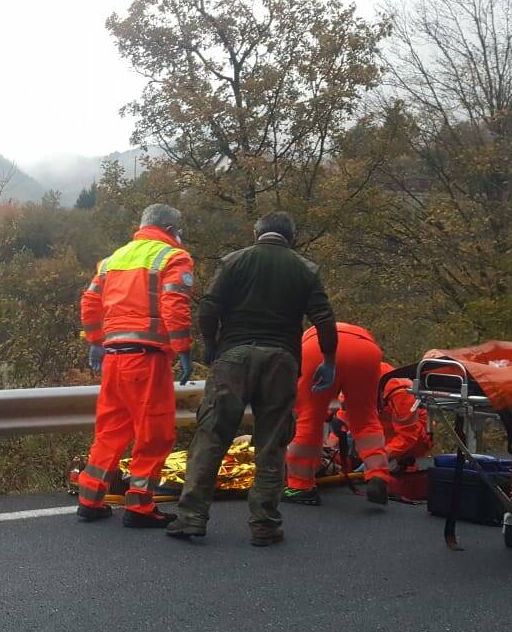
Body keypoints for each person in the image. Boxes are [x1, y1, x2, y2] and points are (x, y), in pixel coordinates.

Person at [166, 211, 337, 546]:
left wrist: (213, 345)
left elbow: (209, 309)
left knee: (212, 436)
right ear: (292, 236)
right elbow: (324, 320)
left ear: (256, 232)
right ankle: (265, 525)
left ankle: (191, 518)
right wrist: (328, 360)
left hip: (234, 357)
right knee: (272, 443)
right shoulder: (306, 269)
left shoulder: (234, 262)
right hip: (282, 361)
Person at [74, 203, 195, 528]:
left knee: (111, 430)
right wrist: (183, 348)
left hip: (114, 360)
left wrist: (97, 340)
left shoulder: (113, 259)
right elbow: (174, 303)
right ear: (171, 230)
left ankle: (90, 499)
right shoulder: (173, 257)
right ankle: (139, 507)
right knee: (154, 433)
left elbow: (89, 302)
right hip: (147, 359)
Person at [283, 322, 393, 506]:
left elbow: (307, 406)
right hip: (365, 350)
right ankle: (377, 475)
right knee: (366, 419)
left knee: (309, 419)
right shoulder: (355, 331)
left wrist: (318, 413)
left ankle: (300, 487)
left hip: (317, 348)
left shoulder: (304, 340)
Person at [324, 362, 432, 498]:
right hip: (382, 426)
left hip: (414, 434)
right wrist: (332, 445)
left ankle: (404, 472)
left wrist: (379, 457)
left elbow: (408, 436)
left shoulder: (400, 391)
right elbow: (345, 415)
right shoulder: (354, 380)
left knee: (398, 470)